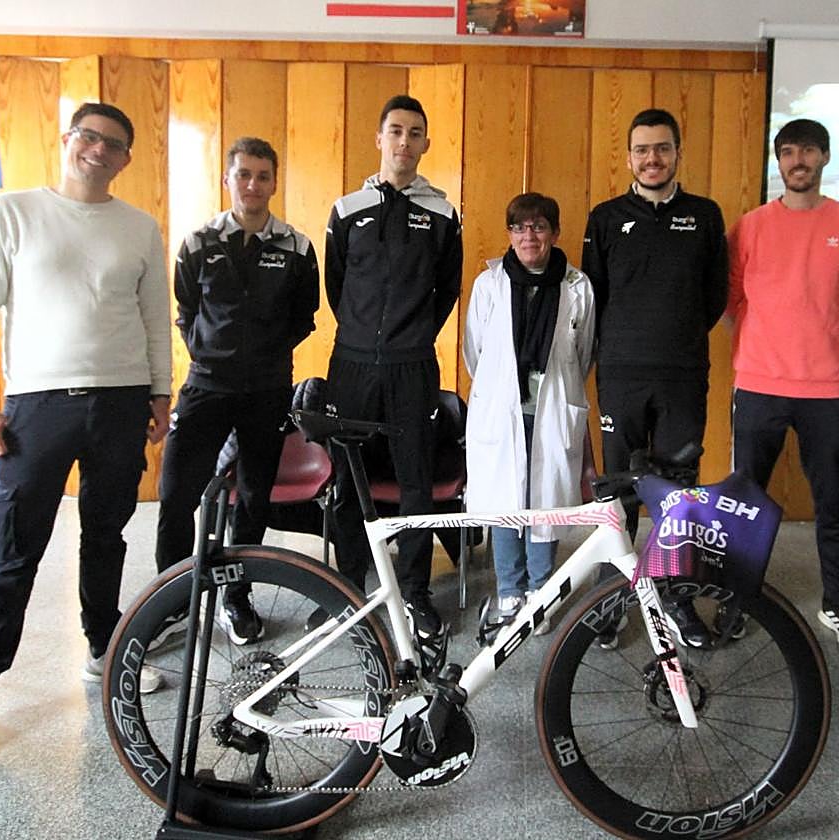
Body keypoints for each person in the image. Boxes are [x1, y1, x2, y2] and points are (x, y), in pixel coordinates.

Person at [0, 102, 174, 785]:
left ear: (125, 158)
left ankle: (102, 652)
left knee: (107, 535)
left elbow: (151, 316)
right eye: (88, 137)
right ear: (67, 140)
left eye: (113, 144)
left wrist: (160, 392)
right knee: (14, 555)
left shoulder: (140, 228)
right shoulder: (12, 212)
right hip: (36, 405)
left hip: (118, 401)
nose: (98, 150)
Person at [155, 137, 319, 644]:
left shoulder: (297, 246)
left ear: (274, 181)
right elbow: (185, 311)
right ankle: (170, 601)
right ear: (228, 179)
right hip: (206, 386)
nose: (253, 185)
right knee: (176, 493)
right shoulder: (199, 242)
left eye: (262, 176)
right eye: (243, 174)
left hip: (267, 392)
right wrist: (212, 353)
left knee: (252, 499)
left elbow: (303, 319)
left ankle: (235, 595)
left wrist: (262, 357)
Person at [726, 118, 839, 655]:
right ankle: (734, 600)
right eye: (788, 152)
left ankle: (838, 602)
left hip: (829, 391)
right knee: (744, 504)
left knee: (832, 504)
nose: (798, 161)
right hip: (759, 387)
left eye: (808, 151)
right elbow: (732, 301)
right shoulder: (749, 227)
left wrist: (823, 340)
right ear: (778, 159)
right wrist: (765, 350)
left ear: (825, 157)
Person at [580, 108, 728, 648]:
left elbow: (714, 297)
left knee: (678, 494)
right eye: (642, 150)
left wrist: (677, 337)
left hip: (683, 375)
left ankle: (678, 598)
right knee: (618, 493)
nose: (652, 158)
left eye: (662, 148)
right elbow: (593, 298)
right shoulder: (604, 217)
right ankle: (612, 598)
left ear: (677, 153)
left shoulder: (706, 215)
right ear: (629, 158)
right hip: (620, 375)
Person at [323, 94, 463, 661]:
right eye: (395, 131)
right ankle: (345, 584)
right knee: (347, 482)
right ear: (380, 139)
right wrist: (361, 337)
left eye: (415, 133)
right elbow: (336, 288)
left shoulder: (442, 214)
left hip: (412, 367)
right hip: (351, 364)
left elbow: (446, 290)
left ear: (426, 144)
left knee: (415, 487)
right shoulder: (347, 207)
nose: (404, 142)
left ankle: (413, 591)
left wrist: (408, 339)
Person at [463, 192, 594, 634]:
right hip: (502, 413)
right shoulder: (490, 284)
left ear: (555, 233)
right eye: (519, 227)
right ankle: (509, 591)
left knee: (545, 504)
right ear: (510, 235)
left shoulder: (577, 286)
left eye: (538, 226)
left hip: (552, 409)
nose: (528, 236)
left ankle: (541, 591)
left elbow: (583, 351)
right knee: (505, 504)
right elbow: (474, 353)